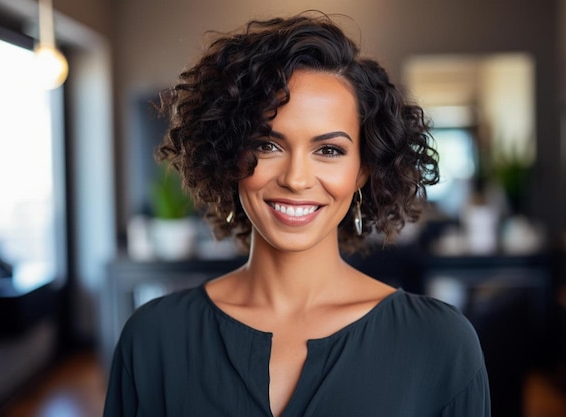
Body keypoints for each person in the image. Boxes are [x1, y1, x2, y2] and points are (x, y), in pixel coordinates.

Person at [103, 11, 490, 417]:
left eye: (329, 150)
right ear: (229, 154)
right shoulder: (153, 339)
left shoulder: (440, 343)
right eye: (268, 145)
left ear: (363, 170)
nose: (296, 178)